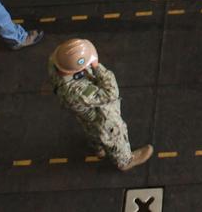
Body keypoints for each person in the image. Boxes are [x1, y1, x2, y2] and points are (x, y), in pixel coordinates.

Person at [50, 38, 153, 171]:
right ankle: (125, 161)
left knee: (90, 128)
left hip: (84, 112)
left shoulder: (56, 60)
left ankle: (98, 148)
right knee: (114, 134)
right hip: (100, 114)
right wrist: (97, 67)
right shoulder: (77, 91)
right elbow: (111, 93)